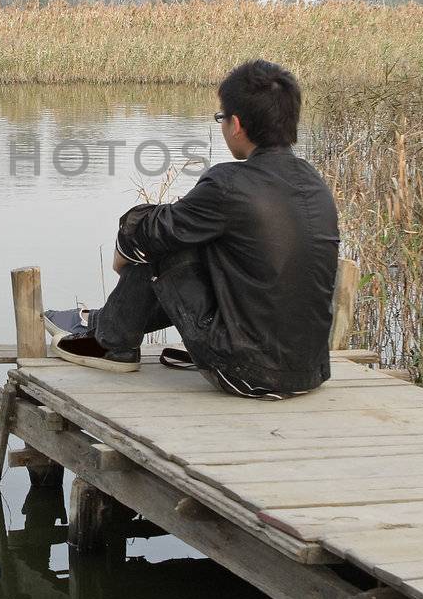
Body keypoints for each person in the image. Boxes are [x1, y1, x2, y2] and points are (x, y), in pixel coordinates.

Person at [44, 60, 339, 398]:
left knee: (163, 240)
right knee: (197, 235)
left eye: (221, 118)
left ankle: (110, 341)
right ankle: (102, 325)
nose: (222, 125)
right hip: (309, 371)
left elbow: (156, 231)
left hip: (247, 374)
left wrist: (125, 245)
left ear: (236, 125)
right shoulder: (314, 183)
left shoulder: (229, 183)